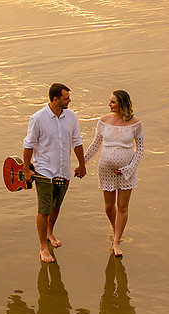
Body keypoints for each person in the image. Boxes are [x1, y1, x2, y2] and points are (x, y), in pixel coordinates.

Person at [23, 83, 87, 263]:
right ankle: (43, 247)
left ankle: (50, 232)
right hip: (44, 171)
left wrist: (82, 164)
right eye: (66, 98)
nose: (69, 101)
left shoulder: (71, 116)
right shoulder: (38, 118)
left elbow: (77, 142)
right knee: (44, 209)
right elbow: (28, 145)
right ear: (55, 99)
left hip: (63, 170)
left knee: (56, 206)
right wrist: (26, 169)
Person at [83, 90, 144, 257]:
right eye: (110, 101)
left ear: (122, 104)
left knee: (122, 207)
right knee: (109, 206)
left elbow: (140, 149)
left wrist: (129, 168)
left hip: (127, 172)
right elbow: (95, 144)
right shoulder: (103, 121)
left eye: (112, 102)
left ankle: (116, 241)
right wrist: (83, 163)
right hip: (106, 170)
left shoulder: (136, 123)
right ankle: (115, 227)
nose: (109, 104)